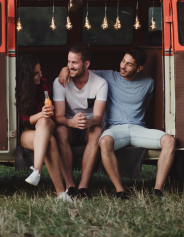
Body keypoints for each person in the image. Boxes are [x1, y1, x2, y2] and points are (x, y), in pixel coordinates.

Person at [58, 47, 176, 199]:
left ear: (139, 68)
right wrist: (64, 69)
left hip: (138, 129)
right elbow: (83, 70)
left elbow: (148, 105)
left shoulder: (149, 83)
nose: (123, 66)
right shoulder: (108, 76)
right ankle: (120, 191)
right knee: (104, 141)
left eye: (129, 64)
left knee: (170, 141)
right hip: (115, 129)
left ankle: (157, 191)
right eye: (122, 61)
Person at [53, 43, 107, 199]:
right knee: (60, 131)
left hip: (88, 125)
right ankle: (70, 185)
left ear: (86, 64)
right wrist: (71, 122)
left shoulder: (100, 83)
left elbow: (98, 117)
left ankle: (83, 186)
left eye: (74, 63)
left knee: (97, 131)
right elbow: (59, 118)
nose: (70, 66)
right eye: (68, 62)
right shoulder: (59, 82)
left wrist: (87, 122)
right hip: (68, 125)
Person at [16, 54, 71, 201]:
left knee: (44, 121)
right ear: (27, 75)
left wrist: (43, 113)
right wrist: (40, 114)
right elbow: (23, 121)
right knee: (50, 142)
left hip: (48, 124)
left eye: (40, 71)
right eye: (35, 73)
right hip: (28, 131)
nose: (40, 75)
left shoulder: (44, 84)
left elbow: (49, 115)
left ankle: (37, 170)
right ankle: (61, 194)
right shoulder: (20, 90)